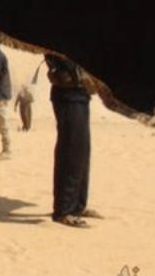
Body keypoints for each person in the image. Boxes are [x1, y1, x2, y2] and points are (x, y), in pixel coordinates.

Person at [45, 53, 101, 228]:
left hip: (80, 92)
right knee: (70, 152)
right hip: (67, 93)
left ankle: (77, 206)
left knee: (82, 151)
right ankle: (64, 210)